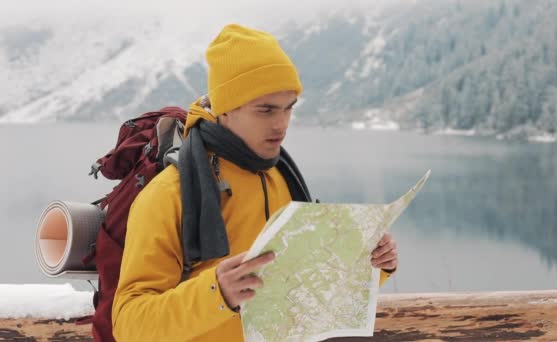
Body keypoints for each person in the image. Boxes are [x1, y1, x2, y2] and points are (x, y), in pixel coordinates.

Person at [111, 23, 399, 341]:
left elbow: (306, 288)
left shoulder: (283, 178)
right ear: (226, 109)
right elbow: (128, 325)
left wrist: (370, 266)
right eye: (265, 110)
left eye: (289, 108)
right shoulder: (169, 195)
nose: (281, 124)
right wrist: (215, 294)